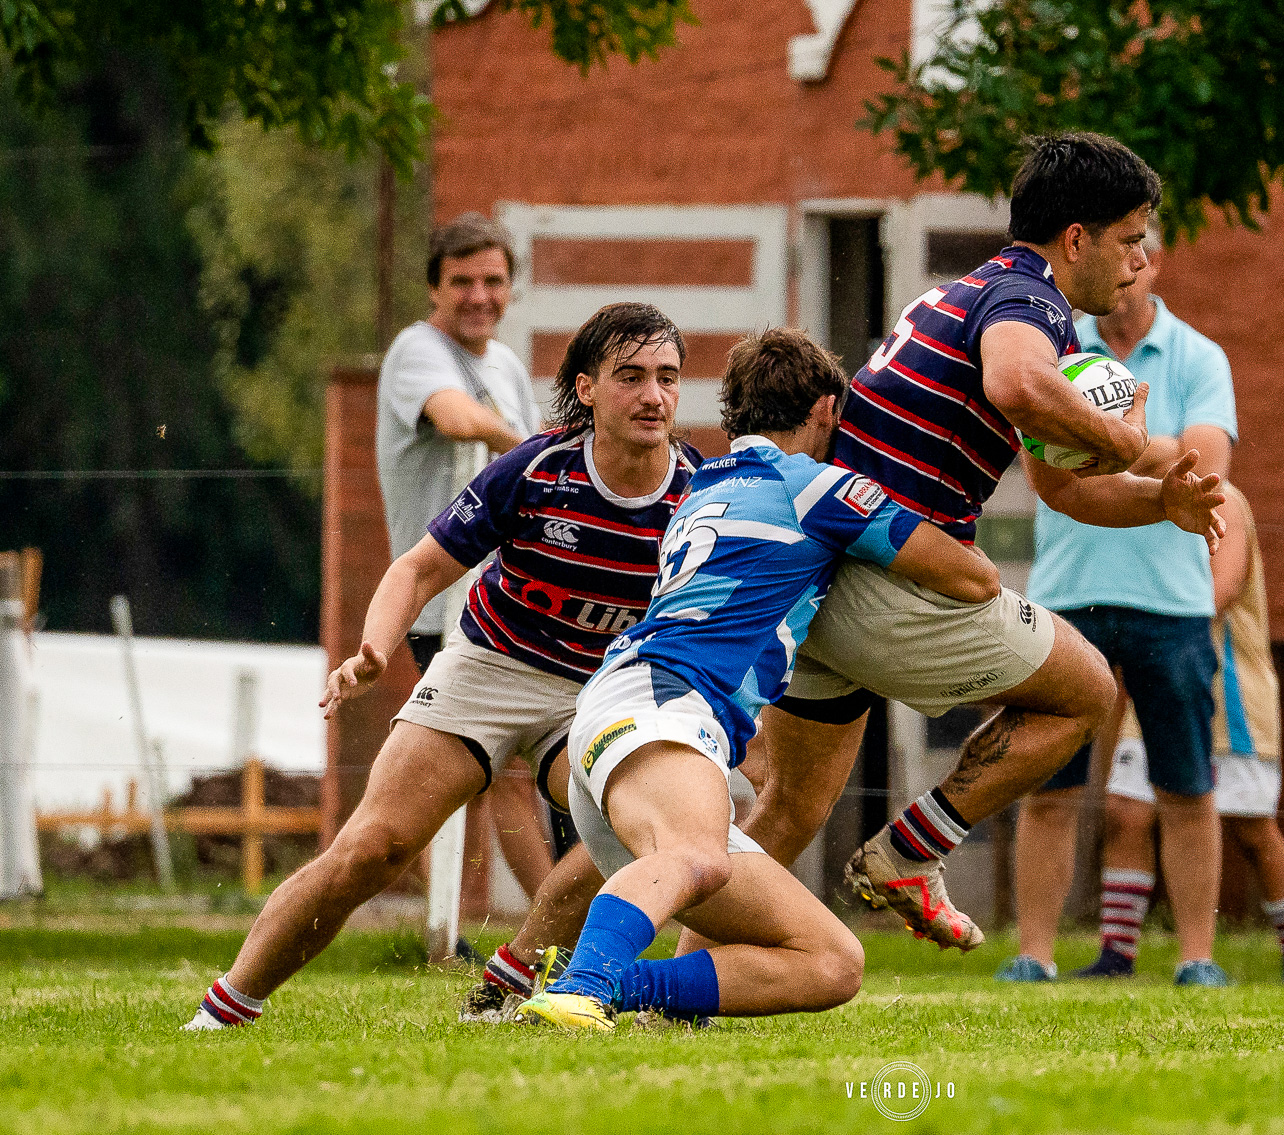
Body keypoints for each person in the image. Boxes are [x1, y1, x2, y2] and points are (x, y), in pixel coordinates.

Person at [725, 133, 1225, 954]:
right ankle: (912, 851)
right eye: (1131, 238)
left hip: (817, 576)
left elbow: (1062, 487)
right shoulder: (1035, 304)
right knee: (1087, 693)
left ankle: (662, 989)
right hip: (890, 574)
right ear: (1076, 240)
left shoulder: (970, 294)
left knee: (784, 811)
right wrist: (1133, 440)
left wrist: (1157, 501)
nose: (1139, 260)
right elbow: (1016, 386)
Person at [184, 303, 698, 1029]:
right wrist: (374, 645)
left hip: (598, 692)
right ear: (586, 389)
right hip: (490, 667)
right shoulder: (535, 470)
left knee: (640, 831)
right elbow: (419, 569)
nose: (654, 395)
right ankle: (225, 1008)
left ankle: (512, 975)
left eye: (668, 378)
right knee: (375, 846)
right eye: (632, 376)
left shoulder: (697, 495)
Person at [516, 329, 1001, 1029]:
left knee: (832, 960)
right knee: (694, 854)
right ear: (829, 410)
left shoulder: (705, 484)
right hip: (663, 706)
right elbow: (974, 578)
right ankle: (583, 984)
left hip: (640, 715)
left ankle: (622, 989)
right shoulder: (818, 487)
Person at [994, 234, 1238, 986]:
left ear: (1156, 265)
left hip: (1174, 601)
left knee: (1187, 789)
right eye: (1119, 256)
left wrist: (1107, 438)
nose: (1128, 272)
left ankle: (1197, 957)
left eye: (1142, 257)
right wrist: (1136, 442)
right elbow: (1042, 448)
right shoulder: (1058, 349)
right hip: (1068, 592)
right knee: (1049, 786)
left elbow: (1208, 466)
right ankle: (1035, 954)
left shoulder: (1199, 357)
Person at [376, 212, 559, 902]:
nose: (479, 296)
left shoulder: (505, 363)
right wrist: (524, 451)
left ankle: (483, 926)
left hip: (506, 600)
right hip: (442, 602)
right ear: (433, 289)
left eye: (493, 281)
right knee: (478, 771)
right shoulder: (417, 351)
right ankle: (484, 927)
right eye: (462, 282)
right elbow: (456, 419)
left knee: (493, 774)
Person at [1073, 484, 1284, 984]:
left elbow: (1222, 588)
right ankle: (1116, 955)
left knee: (1252, 826)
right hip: (1155, 678)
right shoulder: (1137, 498)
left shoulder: (1226, 499)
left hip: (1227, 689)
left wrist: (1149, 619)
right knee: (1127, 810)